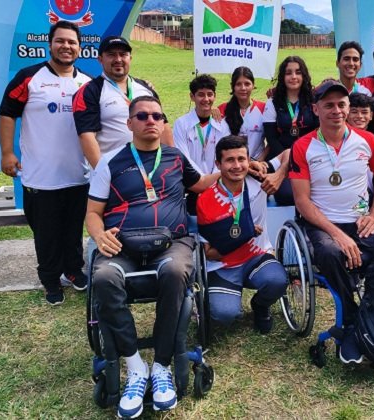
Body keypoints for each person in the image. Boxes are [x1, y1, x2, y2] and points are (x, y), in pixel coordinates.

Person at [86, 96, 219, 418]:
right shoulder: (110, 162)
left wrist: (237, 169)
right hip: (122, 246)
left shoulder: (175, 157)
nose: (150, 120)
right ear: (129, 123)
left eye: (157, 115)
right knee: (103, 278)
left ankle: (161, 365)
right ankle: (135, 367)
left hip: (171, 242)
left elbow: (199, 183)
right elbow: (92, 212)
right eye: (142, 115)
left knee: (175, 274)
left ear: (163, 123)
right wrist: (98, 234)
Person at [289, 80, 374, 364]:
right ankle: (354, 321)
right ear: (315, 109)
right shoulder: (303, 146)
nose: (337, 110)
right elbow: (302, 202)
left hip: (361, 221)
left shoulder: (369, 141)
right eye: (328, 105)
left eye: (341, 104)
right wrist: (336, 234)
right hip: (322, 224)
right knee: (331, 253)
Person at [0, 20, 92, 305]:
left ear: (80, 47)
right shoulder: (29, 77)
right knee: (47, 234)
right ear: (50, 43)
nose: (66, 46)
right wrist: (6, 153)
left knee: (74, 230)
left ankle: (74, 271)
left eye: (72, 42)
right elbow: (6, 114)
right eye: (61, 41)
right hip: (41, 177)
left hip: (78, 175)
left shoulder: (86, 83)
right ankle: (51, 280)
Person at [196, 136, 288, 334]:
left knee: (278, 281)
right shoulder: (205, 200)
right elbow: (211, 254)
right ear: (218, 164)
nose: (237, 166)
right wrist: (243, 234)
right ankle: (227, 300)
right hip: (223, 266)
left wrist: (277, 174)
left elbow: (290, 152)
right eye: (230, 160)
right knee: (224, 315)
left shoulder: (260, 182)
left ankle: (260, 306)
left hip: (257, 257)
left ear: (249, 161)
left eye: (241, 159)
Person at [73, 35, 172, 168]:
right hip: (115, 172)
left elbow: (163, 125)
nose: (118, 59)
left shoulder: (146, 88)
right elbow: (86, 137)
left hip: (151, 169)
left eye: (123, 54)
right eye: (111, 55)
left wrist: (171, 164)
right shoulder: (90, 91)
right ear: (100, 59)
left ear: (130, 58)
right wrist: (104, 173)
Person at [264, 56, 319, 205]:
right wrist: (288, 163)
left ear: (304, 76)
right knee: (287, 196)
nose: (293, 77)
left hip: (311, 158)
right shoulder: (273, 102)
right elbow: (272, 139)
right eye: (288, 73)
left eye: (298, 72)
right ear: (282, 77)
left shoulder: (313, 100)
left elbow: (318, 132)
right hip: (282, 159)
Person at [174, 74, 230, 215]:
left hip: (218, 182)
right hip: (191, 184)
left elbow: (226, 155)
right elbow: (183, 156)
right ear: (192, 97)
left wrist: (212, 179)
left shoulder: (222, 124)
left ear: (215, 96)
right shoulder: (181, 124)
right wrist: (201, 180)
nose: (206, 99)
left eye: (210, 95)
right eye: (201, 95)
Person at [218, 66, 268, 162]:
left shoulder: (264, 108)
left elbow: (271, 140)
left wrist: (259, 161)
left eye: (247, 84)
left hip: (257, 166)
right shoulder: (222, 109)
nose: (243, 88)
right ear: (232, 86)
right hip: (232, 167)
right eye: (238, 84)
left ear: (253, 85)